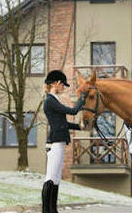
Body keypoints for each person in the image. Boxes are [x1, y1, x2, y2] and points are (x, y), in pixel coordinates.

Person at [41, 70, 85, 213]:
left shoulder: (53, 100)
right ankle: (46, 210)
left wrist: (79, 127)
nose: (63, 88)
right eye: (62, 85)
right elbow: (72, 111)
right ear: (56, 83)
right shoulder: (50, 100)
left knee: (56, 178)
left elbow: (63, 124)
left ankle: (53, 210)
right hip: (54, 142)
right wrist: (82, 98)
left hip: (58, 141)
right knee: (51, 177)